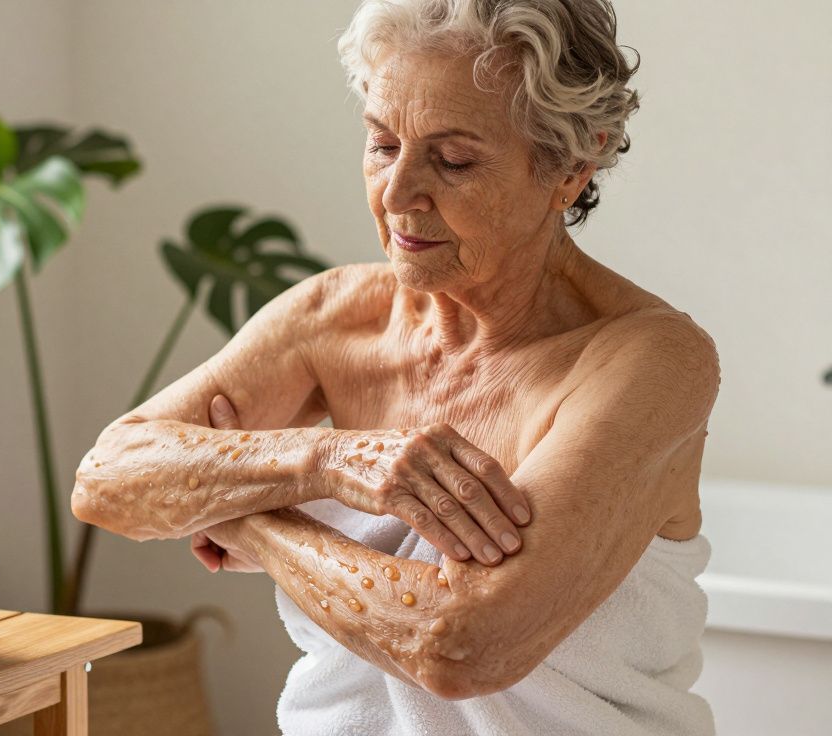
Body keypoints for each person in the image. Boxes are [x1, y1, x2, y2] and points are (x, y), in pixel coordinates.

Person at [71, 0, 720, 733]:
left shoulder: (648, 360)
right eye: (382, 144)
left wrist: (250, 520)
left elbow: (461, 646)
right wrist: (330, 459)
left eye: (454, 160)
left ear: (572, 165)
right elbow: (107, 480)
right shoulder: (337, 315)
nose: (397, 192)